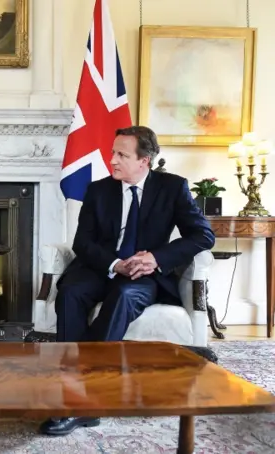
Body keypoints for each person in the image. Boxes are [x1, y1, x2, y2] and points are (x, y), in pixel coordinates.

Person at [39, 126, 215, 436]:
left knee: (124, 296)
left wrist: (156, 259)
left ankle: (79, 399)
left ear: (144, 160)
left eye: (121, 155)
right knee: (69, 292)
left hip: (143, 274)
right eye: (112, 153)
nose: (112, 160)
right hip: (101, 267)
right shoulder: (99, 190)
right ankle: (76, 389)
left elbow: (203, 234)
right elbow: (82, 242)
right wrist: (114, 263)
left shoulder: (173, 188)